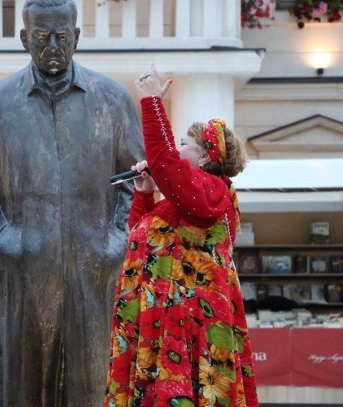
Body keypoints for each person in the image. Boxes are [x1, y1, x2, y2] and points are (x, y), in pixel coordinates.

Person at [0, 0, 144, 404]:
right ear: (25, 39)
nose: (53, 46)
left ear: (77, 37)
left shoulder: (113, 99)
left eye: (62, 36)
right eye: (42, 37)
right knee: (21, 387)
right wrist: (2, 242)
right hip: (20, 272)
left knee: (91, 385)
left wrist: (116, 241)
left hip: (94, 270)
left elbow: (135, 179)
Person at [104, 66, 258, 406]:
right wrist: (145, 193)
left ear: (204, 156)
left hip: (187, 320)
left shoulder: (213, 190)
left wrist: (152, 103)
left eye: (183, 144)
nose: (176, 150)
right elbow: (143, 242)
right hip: (160, 318)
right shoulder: (183, 203)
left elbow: (164, 161)